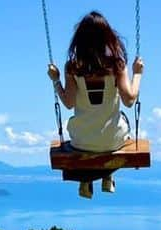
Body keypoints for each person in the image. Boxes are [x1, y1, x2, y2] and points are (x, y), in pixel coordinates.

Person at [46, 11, 144, 199]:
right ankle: (107, 176)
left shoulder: (73, 67)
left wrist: (56, 80)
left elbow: (68, 103)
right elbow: (130, 100)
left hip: (81, 140)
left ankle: (86, 181)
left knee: (88, 137)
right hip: (112, 140)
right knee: (121, 121)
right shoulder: (116, 65)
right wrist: (137, 73)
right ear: (107, 37)